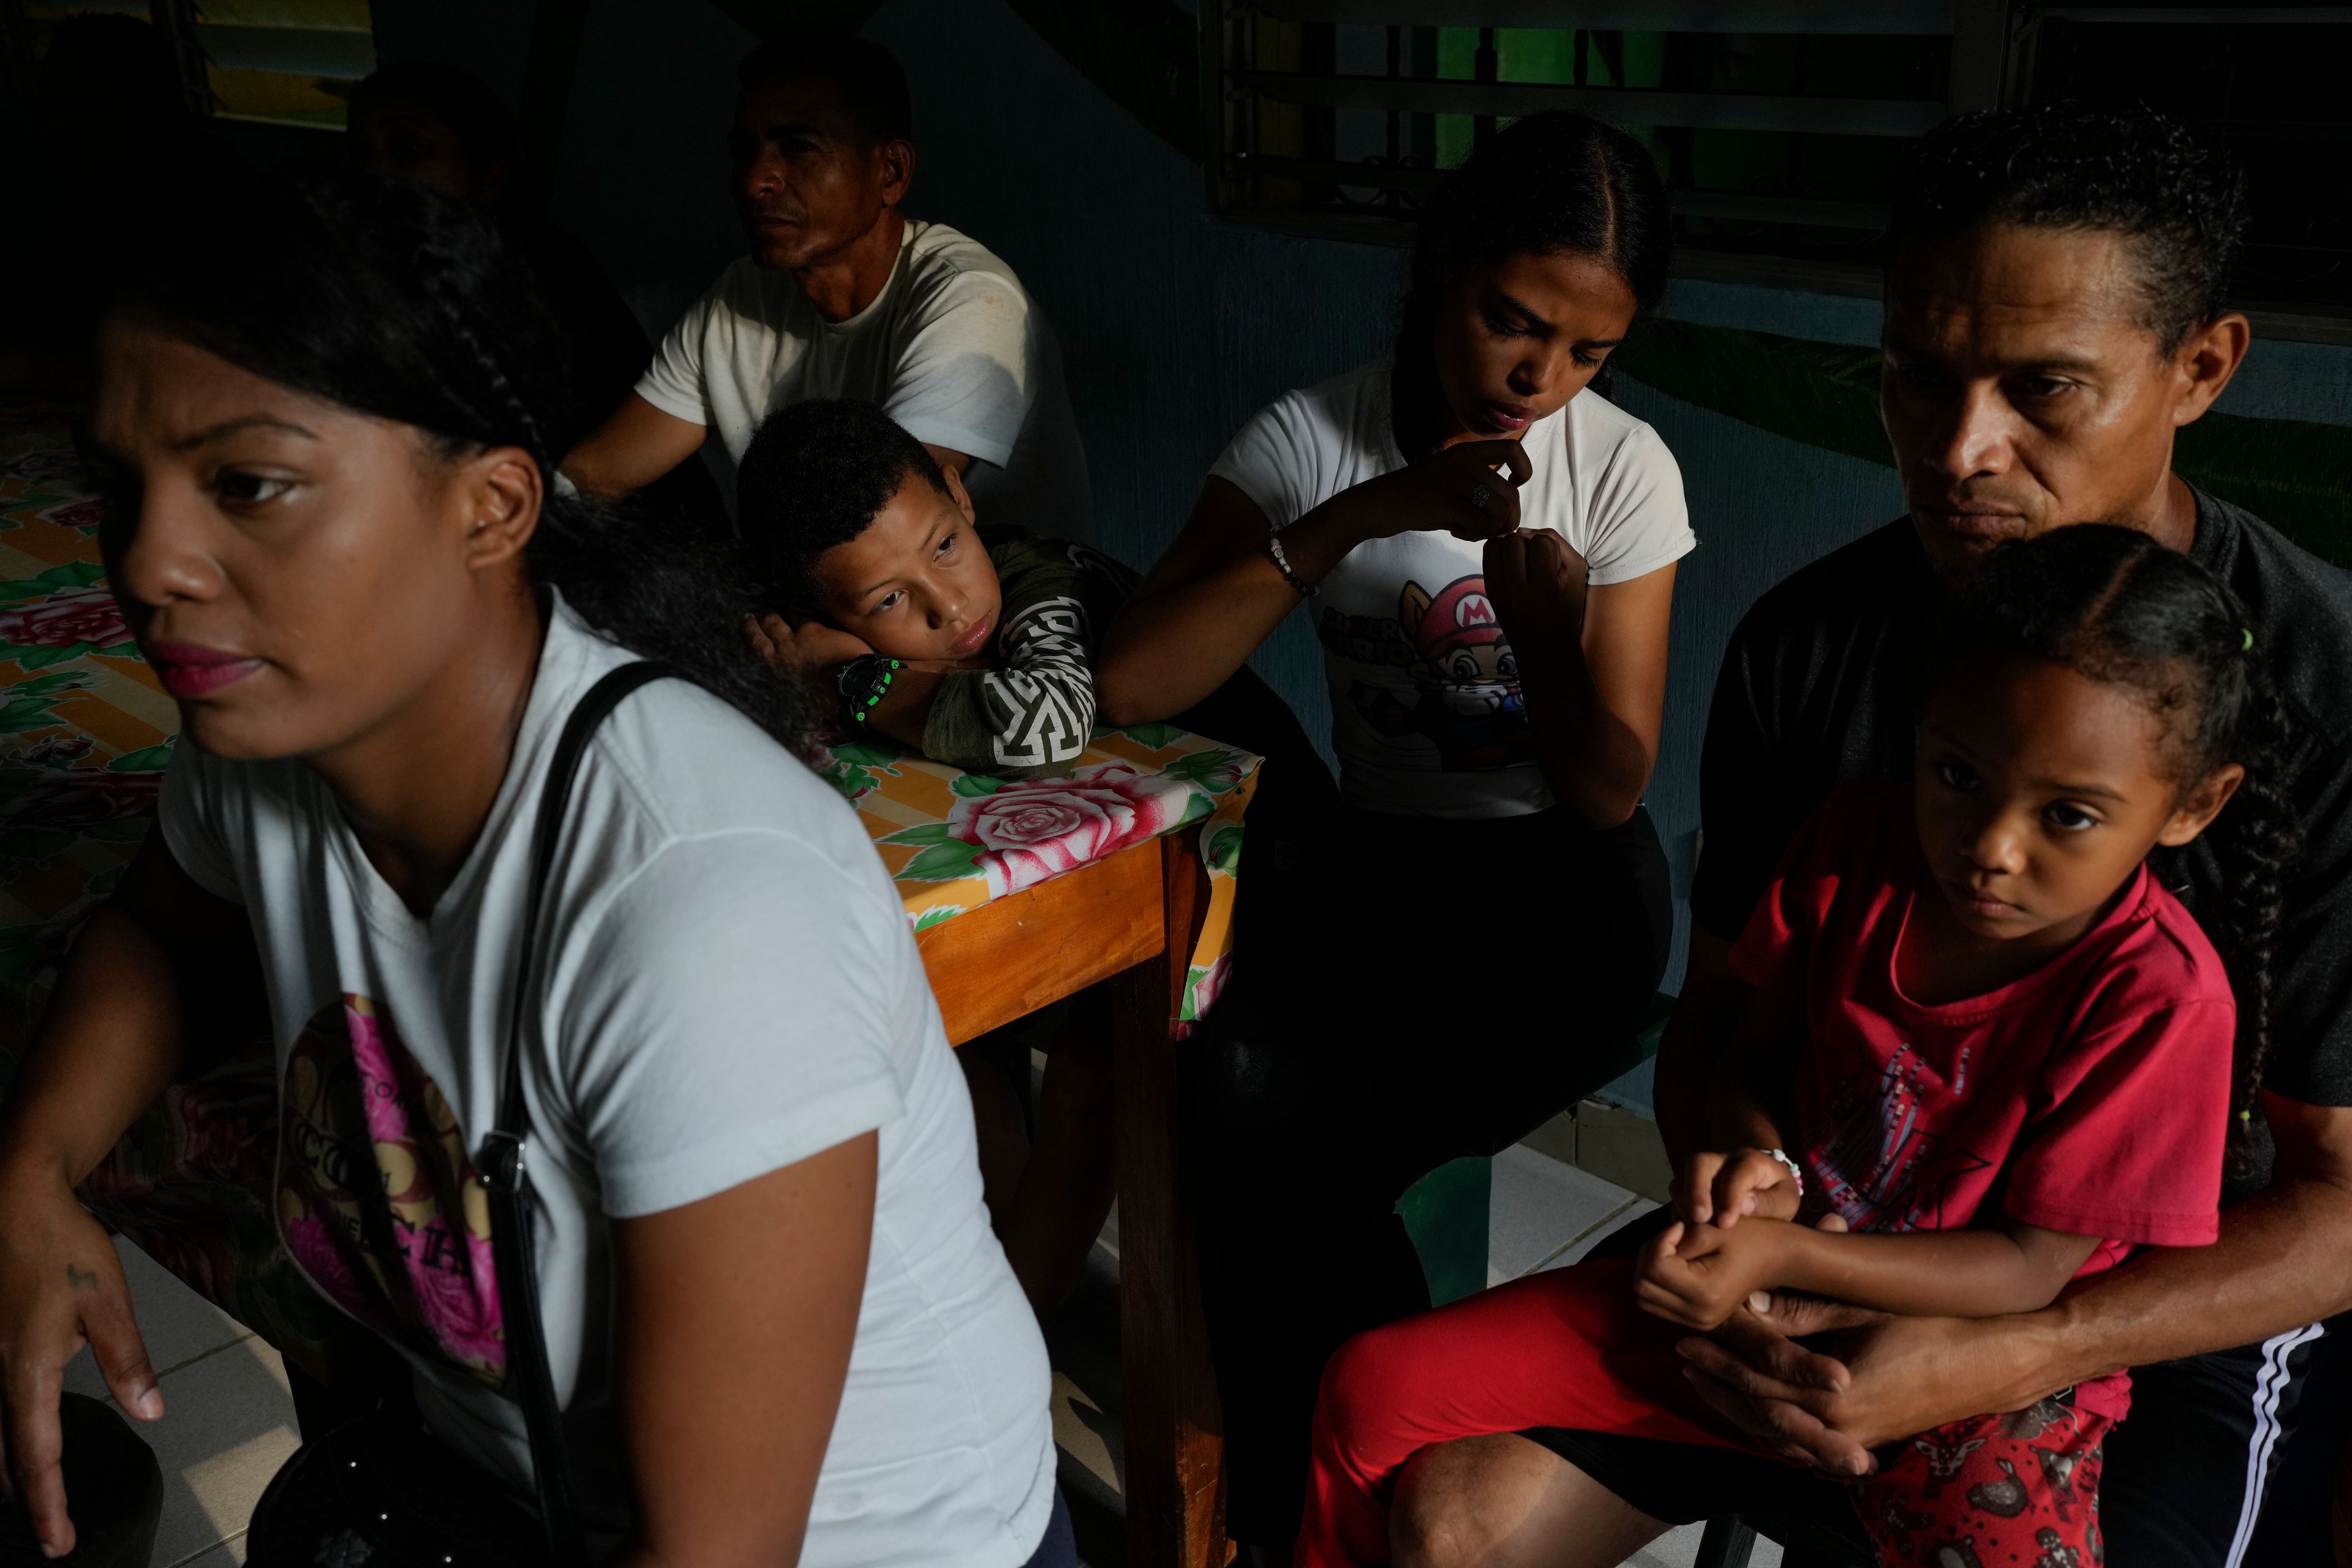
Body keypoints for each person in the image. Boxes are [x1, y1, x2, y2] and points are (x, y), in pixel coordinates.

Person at [0, 165, 1072, 1567]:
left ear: (495, 508)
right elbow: (156, 936)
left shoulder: (700, 908)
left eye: (247, 484)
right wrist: (33, 1169)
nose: (152, 562)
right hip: (525, 1488)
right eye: (118, 484)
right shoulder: (262, 736)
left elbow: (716, 1551)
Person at [1390, 103, 2352, 1568]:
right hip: (1845, 1226)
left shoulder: (2321, 682)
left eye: (2043, 389)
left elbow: (2337, 1205)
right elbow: (1717, 1029)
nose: (1960, 449)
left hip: (2165, 1304)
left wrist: (2017, 1349)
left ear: (2198, 368)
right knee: (1453, 1514)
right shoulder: (1807, 647)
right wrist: (1750, 1211)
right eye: (1916, 377)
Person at [1297, 524, 2288, 1568]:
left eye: (2071, 816)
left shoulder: (2159, 1001)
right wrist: (1754, 1171)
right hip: (1752, 1299)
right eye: (1957, 774)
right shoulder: (1852, 844)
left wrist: (1787, 1251)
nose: (1992, 848)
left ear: (2192, 806)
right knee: (1368, 1392)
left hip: (1975, 1375)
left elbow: (2029, 1272)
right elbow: (1748, 1054)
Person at [1095, 111, 1691, 1556]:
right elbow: (1128, 681)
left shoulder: (1620, 473)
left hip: (1565, 903)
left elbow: (1608, 784)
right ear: (1439, 270)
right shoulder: (1310, 436)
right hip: (1382, 873)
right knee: (1241, 1097)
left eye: (1586, 351)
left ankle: (1316, 1506)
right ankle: (1309, 1508)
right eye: (1512, 320)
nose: (1537, 378)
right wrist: (1365, 513)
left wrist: (1533, 609)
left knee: (1293, 1165)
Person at [735, 398, 1330, 1316]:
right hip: (1087, 880)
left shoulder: (1042, 581)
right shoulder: (872, 620)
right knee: (937, 1033)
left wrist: (856, 671)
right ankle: (993, 1291)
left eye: (943, 546)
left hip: (1270, 867)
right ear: (824, 612)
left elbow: (1043, 721)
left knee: (1096, 1069)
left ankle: (1019, 1321)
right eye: (890, 602)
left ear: (963, 500)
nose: (950, 606)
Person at [560, 34, 1091, 542]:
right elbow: (592, 478)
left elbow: (878, 531)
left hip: (1005, 619)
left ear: (891, 173)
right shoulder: (741, 298)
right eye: (745, 150)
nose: (756, 181)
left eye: (800, 148)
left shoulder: (971, 298)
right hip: (822, 608)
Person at [345, 61, 729, 530]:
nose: (375, 171)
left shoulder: (533, 279)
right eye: (359, 151)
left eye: (407, 147)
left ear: (487, 180)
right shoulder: (361, 281)